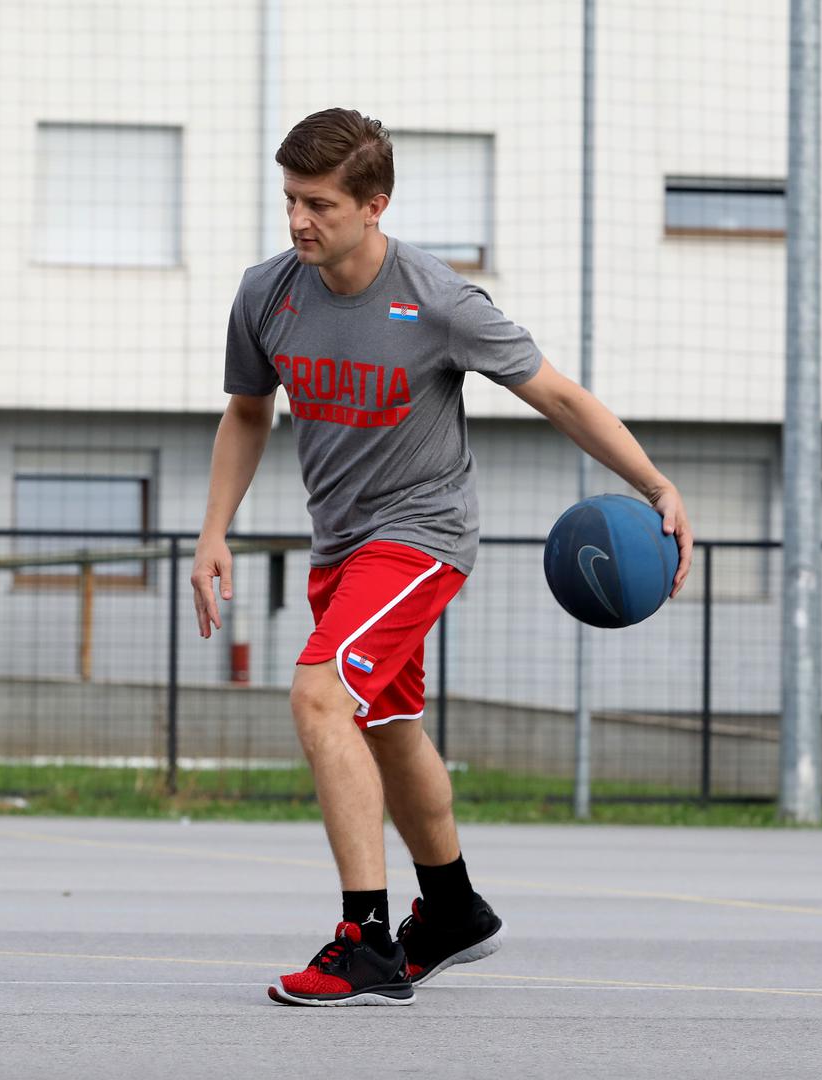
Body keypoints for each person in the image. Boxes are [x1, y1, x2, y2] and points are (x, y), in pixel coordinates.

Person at [191, 108, 692, 1007]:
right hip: (340, 546)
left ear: (374, 204)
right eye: (290, 201)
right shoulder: (267, 293)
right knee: (384, 726)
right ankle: (453, 907)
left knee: (317, 696)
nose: (300, 221)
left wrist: (656, 483)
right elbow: (247, 412)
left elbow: (560, 397)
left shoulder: (436, 299)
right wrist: (213, 531)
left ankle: (367, 941)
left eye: (320, 204)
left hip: (421, 537)